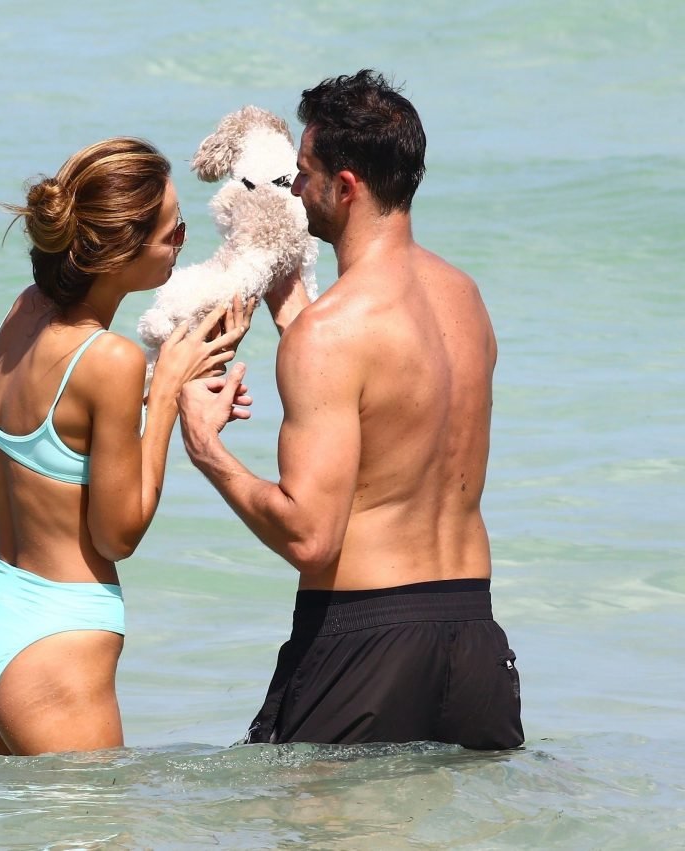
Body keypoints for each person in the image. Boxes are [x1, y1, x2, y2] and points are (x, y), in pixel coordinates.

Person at [177, 71, 524, 749]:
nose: (293, 191)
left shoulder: (329, 333)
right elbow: (392, 401)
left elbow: (311, 538)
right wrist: (293, 310)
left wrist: (207, 449)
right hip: (472, 638)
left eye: (304, 175)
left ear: (345, 187)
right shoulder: (465, 298)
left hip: (366, 641)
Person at [0, 137, 253, 756]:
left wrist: (159, 389)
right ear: (119, 252)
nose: (182, 243)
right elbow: (117, 536)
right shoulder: (112, 360)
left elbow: (62, 434)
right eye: (173, 232)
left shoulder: (23, 312)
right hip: (55, 642)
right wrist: (165, 393)